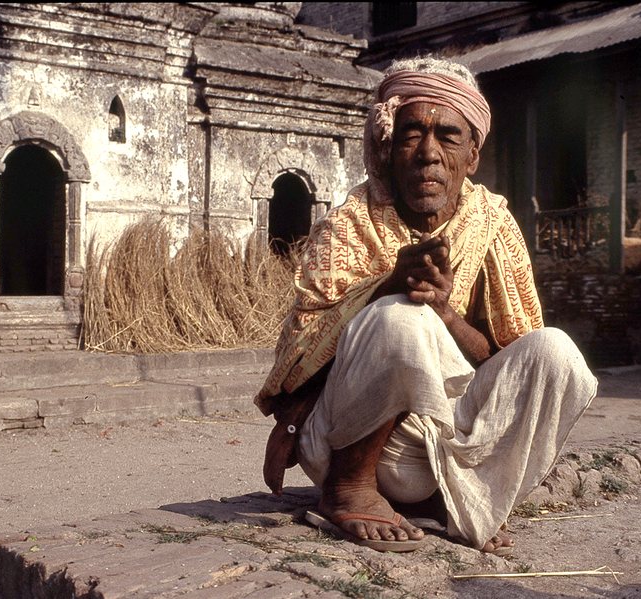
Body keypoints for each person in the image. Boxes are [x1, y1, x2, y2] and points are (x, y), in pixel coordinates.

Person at [255, 56, 597, 554]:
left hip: (438, 455)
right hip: (344, 440)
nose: (429, 154)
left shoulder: (492, 223)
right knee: (399, 314)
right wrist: (388, 285)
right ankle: (349, 490)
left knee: (556, 352)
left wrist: (446, 313)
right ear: (389, 147)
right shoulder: (347, 223)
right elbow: (298, 356)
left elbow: (507, 360)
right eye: (413, 134)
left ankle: (462, 498)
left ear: (473, 154)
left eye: (448, 137)